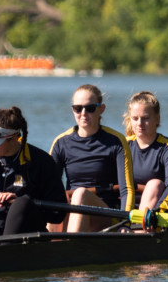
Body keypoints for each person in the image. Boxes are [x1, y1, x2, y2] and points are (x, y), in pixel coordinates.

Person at [0, 106, 68, 236]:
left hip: (26, 233)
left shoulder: (41, 162)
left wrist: (21, 201)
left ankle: (6, 250)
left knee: (22, 203)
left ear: (14, 137)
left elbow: (57, 214)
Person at [49, 84, 136, 232]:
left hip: (106, 213)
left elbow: (127, 189)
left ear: (101, 109)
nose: (83, 113)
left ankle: (71, 246)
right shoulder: (60, 142)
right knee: (55, 199)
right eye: (78, 108)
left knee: (81, 193)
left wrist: (125, 223)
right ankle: (51, 245)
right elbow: (48, 187)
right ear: (72, 110)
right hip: (72, 208)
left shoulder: (116, 141)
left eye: (90, 108)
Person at [123, 91, 168, 218]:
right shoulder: (123, 146)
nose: (139, 123)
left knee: (154, 184)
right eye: (135, 118)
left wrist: (157, 212)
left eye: (145, 118)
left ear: (157, 119)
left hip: (160, 212)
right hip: (127, 211)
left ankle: (138, 228)